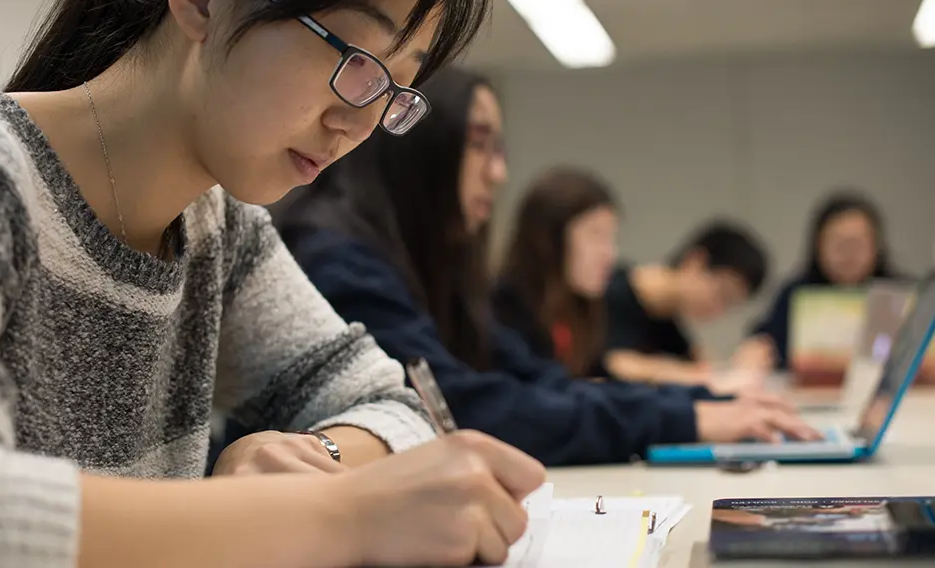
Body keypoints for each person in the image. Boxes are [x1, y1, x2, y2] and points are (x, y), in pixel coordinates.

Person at [0, 0, 551, 566]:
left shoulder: (217, 226)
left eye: (392, 90)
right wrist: (334, 514)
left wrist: (308, 458)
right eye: (357, 60)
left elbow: (400, 410)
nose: (360, 123)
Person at [274, 67, 819, 468]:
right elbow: (462, 408)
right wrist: (688, 416)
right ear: (422, 147)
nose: (500, 173)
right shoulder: (341, 258)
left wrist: (706, 404)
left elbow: (543, 383)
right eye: (480, 146)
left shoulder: (427, 267)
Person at [737, 192, 900, 370]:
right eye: (839, 244)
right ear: (818, 245)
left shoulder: (899, 295)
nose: (848, 255)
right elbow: (765, 342)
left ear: (876, 246)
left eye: (857, 244)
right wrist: (756, 350)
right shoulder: (796, 293)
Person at [602, 222, 772, 392]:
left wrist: (738, 368)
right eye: (722, 294)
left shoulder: (667, 318)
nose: (718, 311)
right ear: (695, 261)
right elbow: (611, 363)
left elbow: (700, 366)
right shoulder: (606, 292)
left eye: (729, 306)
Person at [493, 167, 619, 380]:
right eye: (596, 235)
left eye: (611, 238)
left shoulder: (579, 313)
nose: (610, 255)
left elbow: (601, 383)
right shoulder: (502, 311)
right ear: (549, 239)